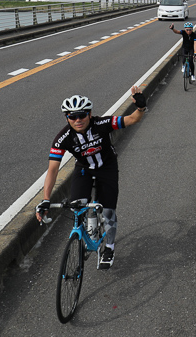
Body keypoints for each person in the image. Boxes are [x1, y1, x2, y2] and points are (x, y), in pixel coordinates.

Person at [35, 88, 147, 269]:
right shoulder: (62, 138)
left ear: (90, 114)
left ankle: (109, 246)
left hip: (107, 168)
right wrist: (46, 199)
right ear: (67, 118)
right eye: (72, 117)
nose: (78, 120)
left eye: (82, 115)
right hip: (84, 170)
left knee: (108, 210)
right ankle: (86, 233)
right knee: (77, 206)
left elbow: (132, 119)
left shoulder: (102, 123)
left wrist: (140, 107)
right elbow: (53, 170)